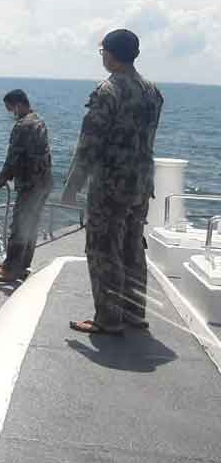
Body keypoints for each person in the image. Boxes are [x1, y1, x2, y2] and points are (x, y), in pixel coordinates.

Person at [62, 29, 163, 335]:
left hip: (111, 185)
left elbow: (89, 144)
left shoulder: (107, 91)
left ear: (110, 53)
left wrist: (72, 185)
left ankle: (108, 318)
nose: (102, 56)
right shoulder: (152, 90)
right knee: (133, 246)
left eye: (102, 51)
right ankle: (134, 311)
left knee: (104, 248)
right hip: (141, 183)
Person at [0, 90, 53, 281]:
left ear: (18, 105)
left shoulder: (22, 126)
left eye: (10, 109)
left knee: (20, 226)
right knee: (31, 225)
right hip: (44, 182)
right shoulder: (39, 120)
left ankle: (9, 271)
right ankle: (22, 264)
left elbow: (12, 160)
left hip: (30, 184)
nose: (10, 113)